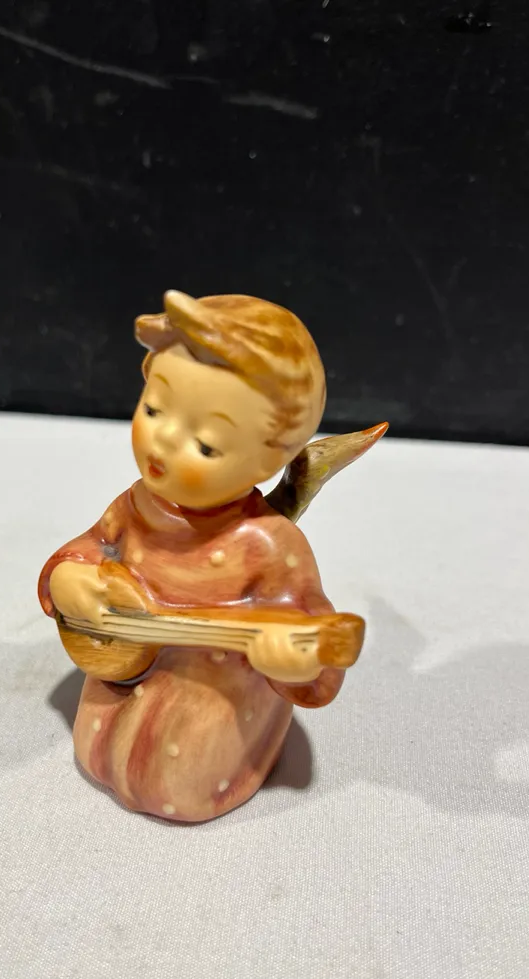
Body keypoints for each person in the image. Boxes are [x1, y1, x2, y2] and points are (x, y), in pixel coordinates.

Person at [39, 291, 377, 822]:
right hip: (127, 660)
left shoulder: (267, 544)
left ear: (270, 459)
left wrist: (296, 661)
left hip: (217, 682)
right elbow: (90, 547)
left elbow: (307, 624)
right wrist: (70, 578)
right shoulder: (136, 505)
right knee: (93, 744)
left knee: (173, 777)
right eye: (154, 409)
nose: (164, 442)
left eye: (207, 445)